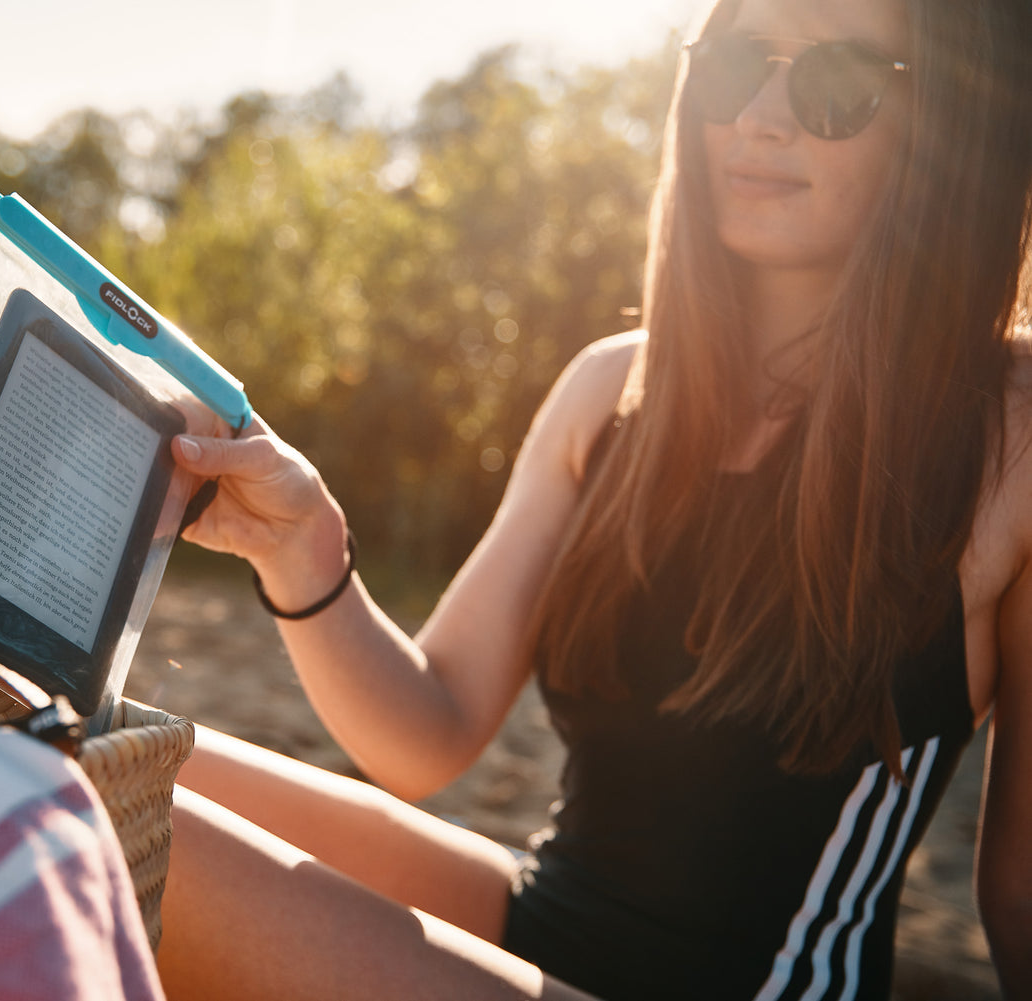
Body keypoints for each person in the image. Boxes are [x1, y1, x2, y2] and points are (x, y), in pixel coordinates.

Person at [151, 0, 1032, 997]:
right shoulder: (612, 390)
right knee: (72, 749)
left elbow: (1022, 891)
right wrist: (301, 548)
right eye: (742, 62)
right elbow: (426, 730)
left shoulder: (1009, 432)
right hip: (538, 925)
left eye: (838, 80)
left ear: (948, 128)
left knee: (79, 813)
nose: (765, 115)